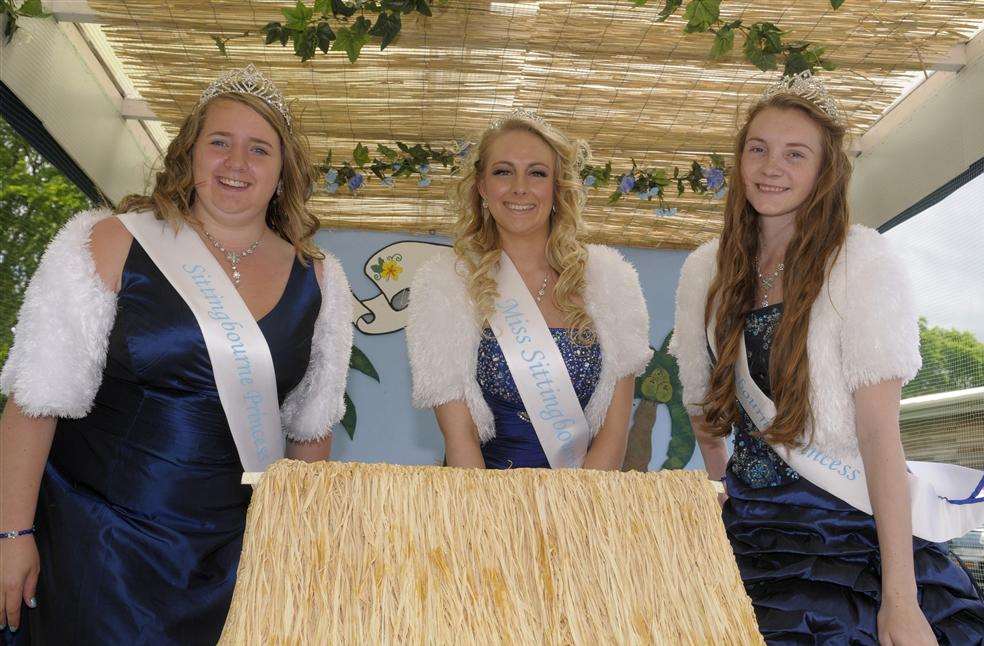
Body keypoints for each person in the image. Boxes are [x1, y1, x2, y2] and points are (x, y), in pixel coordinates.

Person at [0, 64, 353, 644]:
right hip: (98, 544)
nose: (236, 164)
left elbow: (309, 436)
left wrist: (291, 555)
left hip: (234, 561)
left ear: (283, 172)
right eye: (220, 143)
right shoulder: (110, 241)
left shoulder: (321, 282)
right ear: (190, 153)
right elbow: (35, 400)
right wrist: (12, 534)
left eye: (258, 149)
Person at [669, 71, 984, 644]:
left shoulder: (861, 264)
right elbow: (702, 404)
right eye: (759, 149)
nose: (772, 167)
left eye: (795, 154)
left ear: (822, 172)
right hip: (747, 537)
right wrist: (727, 489)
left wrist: (900, 601)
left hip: (845, 531)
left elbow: (879, 438)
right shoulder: (702, 274)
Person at [406, 110, 652, 470]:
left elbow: (613, 441)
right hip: (475, 504)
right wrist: (481, 524)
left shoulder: (611, 283)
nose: (520, 187)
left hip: (585, 506)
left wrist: (576, 520)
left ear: (557, 187)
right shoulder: (446, 285)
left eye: (537, 173)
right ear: (481, 186)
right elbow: (460, 442)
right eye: (503, 172)